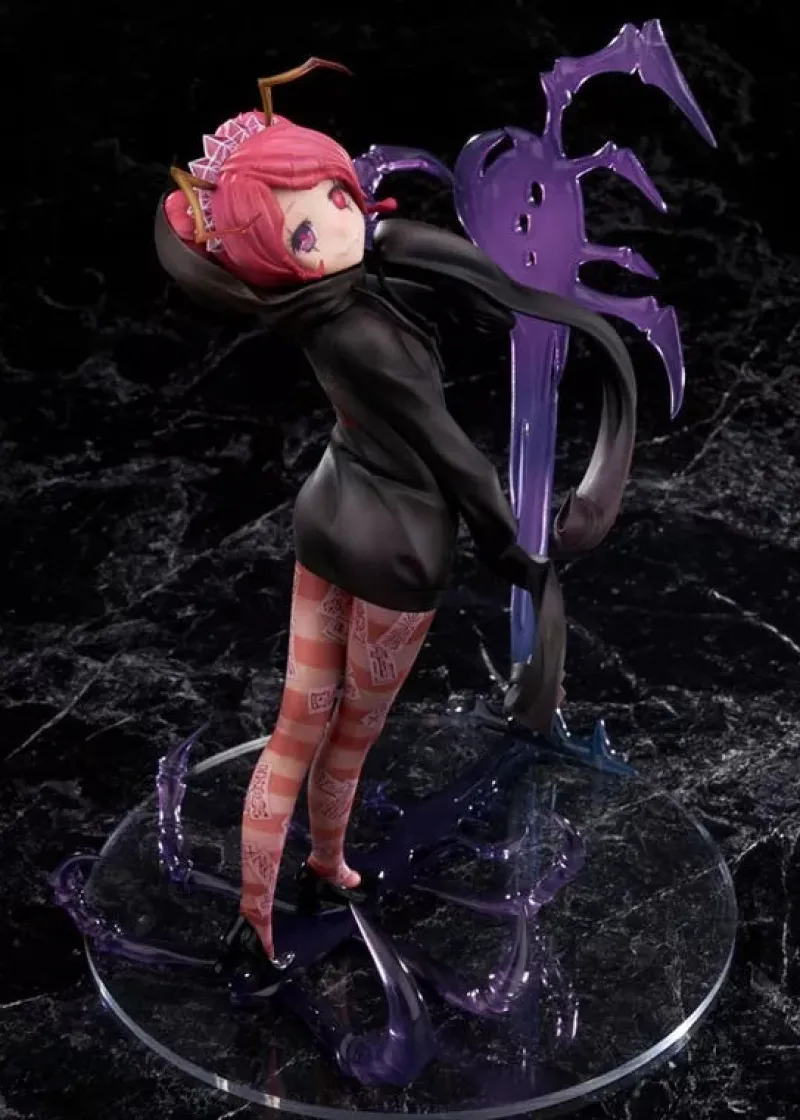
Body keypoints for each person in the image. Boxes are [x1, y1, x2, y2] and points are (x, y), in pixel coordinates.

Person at [155, 61, 637, 992]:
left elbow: (407, 264)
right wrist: (513, 548)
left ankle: (279, 899)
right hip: (396, 552)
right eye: (304, 231)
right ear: (273, 262)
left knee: (296, 721)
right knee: (341, 733)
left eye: (337, 196)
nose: (340, 224)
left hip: (328, 516)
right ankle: (300, 881)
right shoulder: (363, 332)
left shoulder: (322, 306)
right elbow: (454, 456)